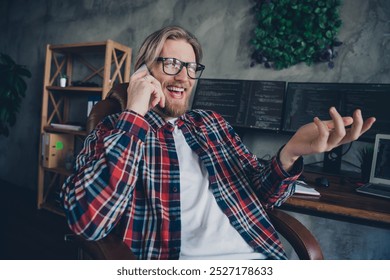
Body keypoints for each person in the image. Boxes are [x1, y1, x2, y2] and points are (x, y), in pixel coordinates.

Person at [60, 26, 376, 260]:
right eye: (171, 63)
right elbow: (88, 223)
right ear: (144, 71)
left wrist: (291, 151)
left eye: (191, 67)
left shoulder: (211, 124)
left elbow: (263, 194)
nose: (183, 77)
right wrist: (134, 113)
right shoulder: (114, 130)